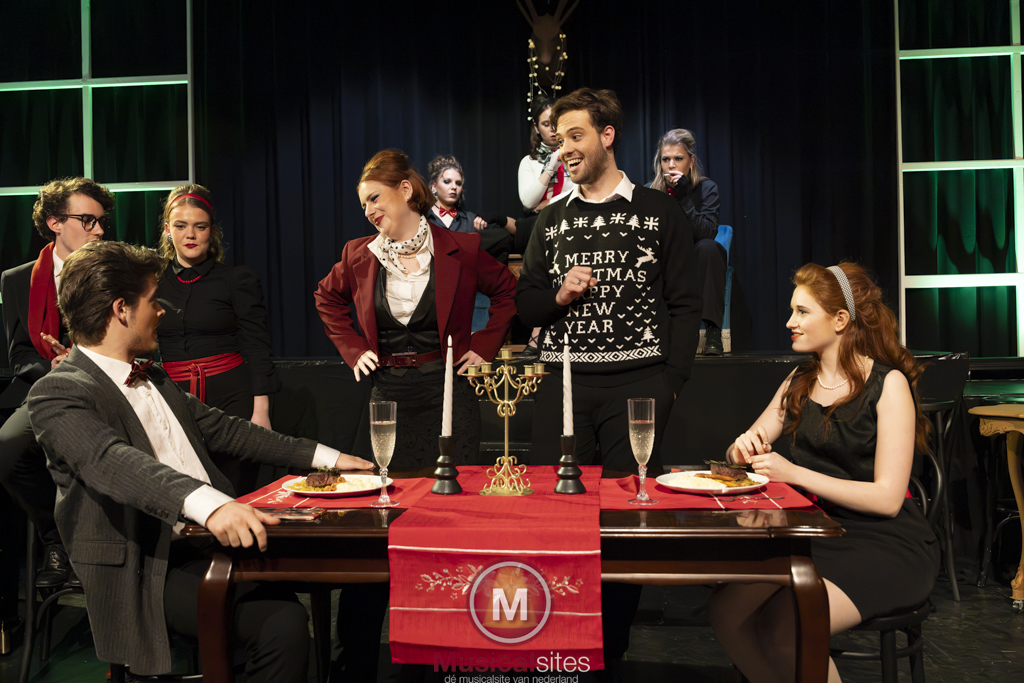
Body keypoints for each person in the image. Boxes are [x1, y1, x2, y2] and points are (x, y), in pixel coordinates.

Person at [26, 240, 374, 681]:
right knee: (281, 627)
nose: (162, 311)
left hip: (209, 545)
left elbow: (229, 430)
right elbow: (111, 461)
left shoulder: (153, 375)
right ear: (121, 310)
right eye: (153, 301)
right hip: (148, 565)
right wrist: (211, 505)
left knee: (354, 570)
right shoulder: (59, 391)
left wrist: (329, 459)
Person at [514, 87, 702, 664]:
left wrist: (670, 383)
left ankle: (609, 655)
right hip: (563, 388)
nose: (565, 149)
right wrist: (559, 295)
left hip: (638, 388)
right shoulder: (550, 219)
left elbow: (685, 304)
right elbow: (526, 304)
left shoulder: (658, 212)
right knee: (556, 521)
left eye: (576, 136)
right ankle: (563, 650)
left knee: (623, 530)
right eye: (559, 139)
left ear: (607, 136)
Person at [708, 262, 940, 683]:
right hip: (814, 534)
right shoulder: (799, 380)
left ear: (840, 320)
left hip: (884, 544)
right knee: (726, 613)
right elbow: (744, 445)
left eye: (802, 312)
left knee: (788, 629)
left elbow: (888, 499)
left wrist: (794, 474)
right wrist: (740, 450)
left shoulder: (887, 385)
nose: (789, 322)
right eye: (792, 311)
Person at [315, 149, 517, 468]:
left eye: (374, 198)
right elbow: (326, 297)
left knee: (455, 491)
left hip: (450, 395)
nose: (368, 211)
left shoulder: (462, 249)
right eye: (364, 204)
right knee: (392, 491)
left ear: (406, 189)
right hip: (388, 397)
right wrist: (354, 348)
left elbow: (508, 290)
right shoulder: (358, 255)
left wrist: (484, 346)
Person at [0, 177, 113, 589]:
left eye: (100, 221)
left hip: (104, 390)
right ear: (54, 223)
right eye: (88, 220)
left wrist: (84, 361)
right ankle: (59, 541)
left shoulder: (113, 273)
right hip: (49, 389)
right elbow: (19, 355)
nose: (98, 230)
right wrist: (55, 368)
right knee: (7, 449)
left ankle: (97, 550)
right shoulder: (17, 280)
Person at [155, 184, 279, 494]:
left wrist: (261, 412)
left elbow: (258, 346)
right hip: (171, 400)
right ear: (168, 230)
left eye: (200, 226)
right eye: (181, 226)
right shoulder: (151, 282)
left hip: (232, 400)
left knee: (234, 493)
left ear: (212, 231)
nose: (191, 234)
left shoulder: (236, 279)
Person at [649, 129, 726, 355]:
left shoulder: (706, 189)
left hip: (694, 259)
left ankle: (713, 332)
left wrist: (683, 198)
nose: (671, 165)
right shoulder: (650, 192)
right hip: (664, 260)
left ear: (691, 162)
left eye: (678, 159)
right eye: (666, 159)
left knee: (709, 247)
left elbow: (707, 232)